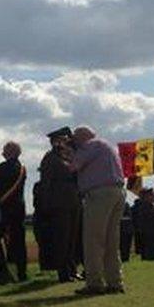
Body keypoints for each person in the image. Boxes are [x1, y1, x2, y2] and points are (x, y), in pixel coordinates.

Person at [62, 126, 126, 295]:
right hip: (117, 192)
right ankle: (115, 282)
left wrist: (67, 152)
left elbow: (73, 167)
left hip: (99, 193)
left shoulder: (89, 146)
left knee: (93, 240)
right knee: (111, 241)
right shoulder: (105, 145)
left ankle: (94, 283)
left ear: (81, 137)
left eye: (74, 138)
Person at [39, 127, 81, 282]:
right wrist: (47, 204)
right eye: (62, 139)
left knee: (72, 238)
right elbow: (46, 183)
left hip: (73, 201)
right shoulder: (50, 158)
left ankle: (72, 269)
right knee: (62, 239)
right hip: (59, 203)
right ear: (54, 142)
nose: (65, 142)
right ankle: (63, 272)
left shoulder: (67, 156)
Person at [0, 141, 27, 281]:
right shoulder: (22, 168)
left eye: (4, 150)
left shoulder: (3, 166)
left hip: (4, 208)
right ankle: (22, 273)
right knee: (18, 241)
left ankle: (2, 269)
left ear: (9, 152)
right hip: (18, 209)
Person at [136, 189, 154, 260]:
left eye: (152, 195)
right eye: (150, 195)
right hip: (148, 230)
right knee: (148, 247)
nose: (152, 197)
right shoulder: (144, 206)